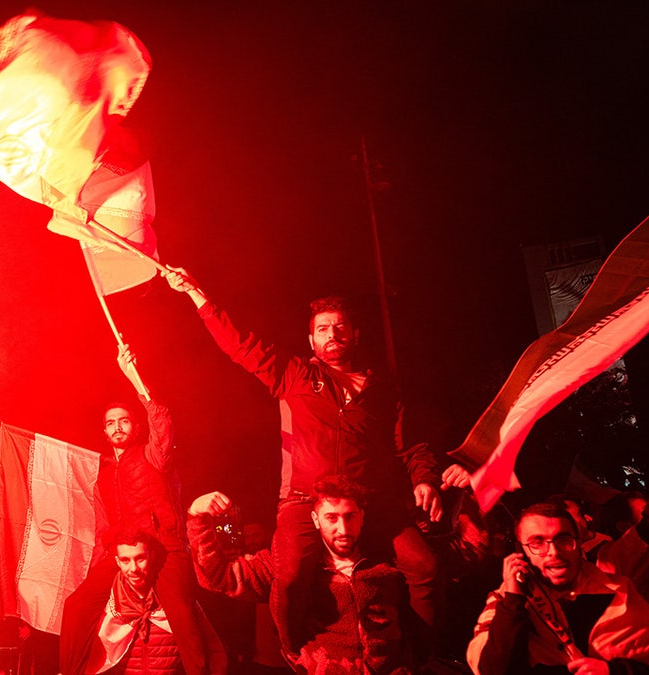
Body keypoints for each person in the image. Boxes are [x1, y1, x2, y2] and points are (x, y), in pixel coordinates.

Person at [164, 269, 440, 656]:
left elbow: (409, 446)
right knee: (291, 574)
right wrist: (198, 295)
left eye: (340, 327)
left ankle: (425, 654)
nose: (333, 335)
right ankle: (296, 653)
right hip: (303, 500)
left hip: (365, 502)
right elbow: (240, 345)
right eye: (323, 329)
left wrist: (424, 480)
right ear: (312, 339)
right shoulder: (295, 375)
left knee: (422, 562)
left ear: (355, 336)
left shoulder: (381, 391)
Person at [63, 344, 220, 675]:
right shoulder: (104, 476)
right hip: (121, 552)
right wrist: (106, 555)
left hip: (165, 550)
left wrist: (134, 378)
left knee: (183, 620)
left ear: (135, 426)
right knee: (76, 606)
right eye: (111, 423)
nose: (117, 426)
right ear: (104, 432)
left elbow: (161, 421)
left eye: (124, 421)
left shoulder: (152, 456)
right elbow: (103, 525)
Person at [187, 476, 416, 674]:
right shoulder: (293, 567)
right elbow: (220, 577)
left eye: (350, 516)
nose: (343, 529)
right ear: (316, 520)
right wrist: (198, 517)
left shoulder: (386, 562)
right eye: (331, 518)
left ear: (363, 516)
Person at [467, 501, 649, 674]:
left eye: (563, 540)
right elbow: (493, 670)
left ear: (578, 544)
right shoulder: (505, 602)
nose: (554, 553)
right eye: (537, 543)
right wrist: (513, 602)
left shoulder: (620, 591)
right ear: (520, 552)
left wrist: (612, 671)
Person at [61, 529, 226, 675]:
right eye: (125, 560)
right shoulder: (108, 609)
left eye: (140, 559)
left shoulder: (179, 604)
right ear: (117, 562)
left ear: (151, 557)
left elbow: (213, 652)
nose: (133, 569)